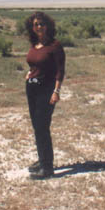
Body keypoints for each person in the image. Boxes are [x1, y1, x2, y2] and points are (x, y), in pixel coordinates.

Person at [24, 11, 65, 179]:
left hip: (46, 90)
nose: (39, 27)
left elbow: (60, 71)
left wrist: (56, 91)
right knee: (37, 127)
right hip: (32, 88)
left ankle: (47, 168)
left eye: (41, 24)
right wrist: (29, 73)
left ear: (48, 25)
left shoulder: (54, 46)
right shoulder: (35, 45)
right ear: (32, 27)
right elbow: (34, 64)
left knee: (43, 127)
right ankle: (42, 160)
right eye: (35, 24)